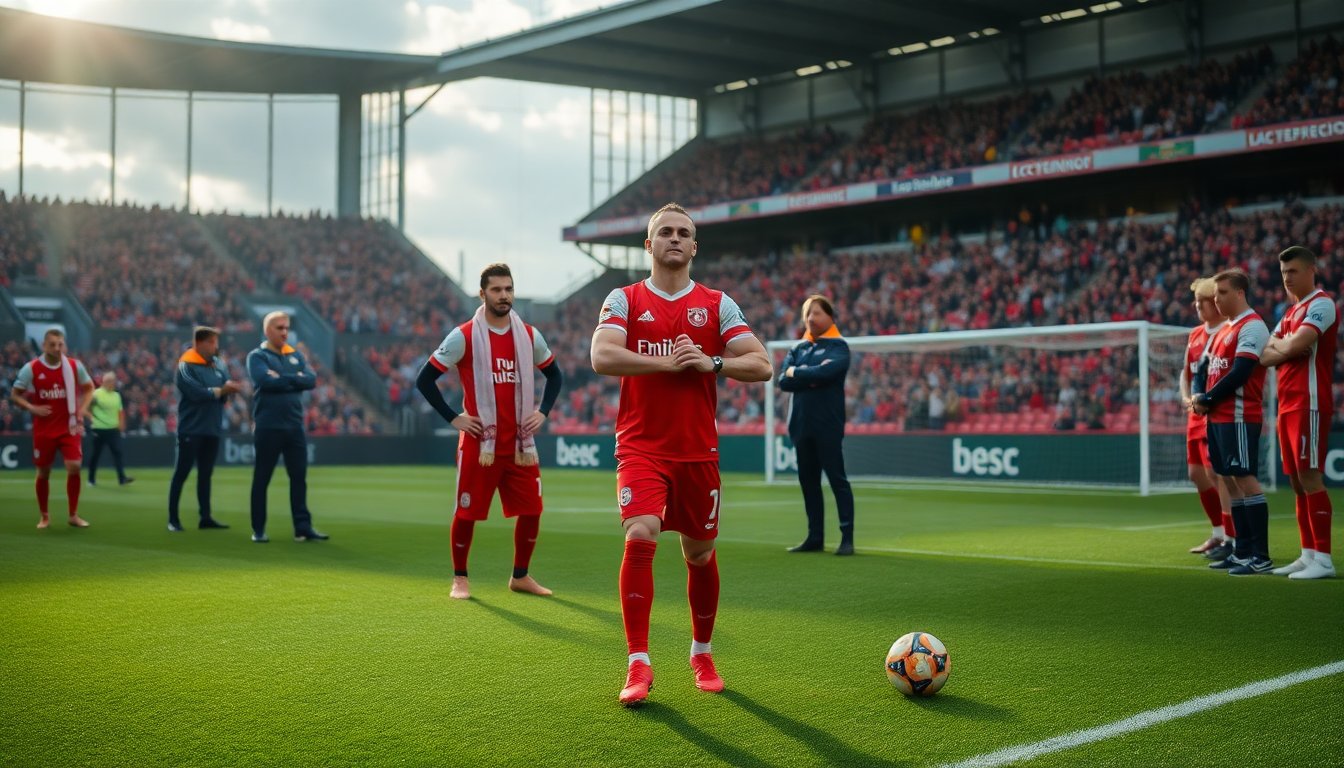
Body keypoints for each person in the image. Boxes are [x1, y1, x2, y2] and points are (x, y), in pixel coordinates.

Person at [591, 202, 773, 707]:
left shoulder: (717, 304)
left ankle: (702, 652)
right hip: (641, 447)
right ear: (648, 246)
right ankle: (638, 663)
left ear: (694, 247)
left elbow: (761, 364)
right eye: (664, 232)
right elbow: (602, 355)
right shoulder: (624, 298)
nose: (674, 238)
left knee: (699, 553)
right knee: (641, 531)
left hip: (698, 452)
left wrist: (713, 361)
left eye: (683, 233)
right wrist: (669, 364)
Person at [416, 263, 564, 600]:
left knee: (532, 511)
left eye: (508, 289)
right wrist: (454, 418)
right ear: (482, 294)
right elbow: (424, 380)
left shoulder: (528, 335)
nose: (504, 296)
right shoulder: (464, 335)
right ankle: (460, 578)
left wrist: (543, 412)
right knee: (467, 512)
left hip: (520, 446)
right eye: (496, 290)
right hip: (479, 444)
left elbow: (555, 376)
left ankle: (521, 576)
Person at [1261, 246, 1337, 580]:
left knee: (1310, 476)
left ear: (1311, 270)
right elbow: (1264, 355)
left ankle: (1323, 557)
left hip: (1309, 401)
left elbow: (1286, 347)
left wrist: (1284, 346)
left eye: (1292, 271)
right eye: (1283, 273)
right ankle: (1307, 554)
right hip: (1286, 405)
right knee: (1295, 481)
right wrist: (1286, 346)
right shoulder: (1290, 312)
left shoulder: (1321, 304)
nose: (1287, 278)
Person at [1191, 269, 1272, 575]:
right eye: (1215, 294)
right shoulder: (1225, 328)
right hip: (1216, 417)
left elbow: (1240, 372)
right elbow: (1202, 369)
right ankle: (1241, 551)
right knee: (1228, 479)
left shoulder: (1252, 326)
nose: (1216, 299)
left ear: (1240, 293)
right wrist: (1200, 396)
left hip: (1239, 415)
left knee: (1245, 479)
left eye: (1223, 293)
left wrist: (1207, 399)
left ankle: (1260, 556)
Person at [777, 294, 855, 555]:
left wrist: (797, 373)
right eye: (808, 313)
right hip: (801, 426)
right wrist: (807, 375)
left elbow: (826, 373)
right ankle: (815, 537)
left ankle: (847, 538)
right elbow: (782, 381)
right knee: (808, 482)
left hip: (828, 426)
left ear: (830, 317)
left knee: (837, 480)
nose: (811, 318)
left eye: (817, 313)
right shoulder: (798, 348)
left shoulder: (839, 347)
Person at [246, 311, 327, 543]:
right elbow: (264, 382)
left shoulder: (295, 354)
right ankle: (258, 529)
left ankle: (303, 528)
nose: (284, 332)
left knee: (299, 477)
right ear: (267, 330)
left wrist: (283, 378)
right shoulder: (257, 356)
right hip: (268, 426)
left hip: (294, 426)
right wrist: (295, 378)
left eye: (286, 328)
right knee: (262, 478)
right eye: (279, 328)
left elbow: (311, 380)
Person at [10, 328, 95, 529]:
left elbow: (89, 388)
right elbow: (15, 395)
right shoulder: (31, 369)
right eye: (53, 345)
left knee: (74, 466)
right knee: (44, 473)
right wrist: (32, 407)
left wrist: (81, 409)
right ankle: (44, 516)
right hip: (44, 429)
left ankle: (73, 515)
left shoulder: (74, 366)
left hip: (69, 426)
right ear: (44, 346)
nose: (57, 348)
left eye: (60, 344)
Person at [169, 326, 243, 532]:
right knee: (181, 473)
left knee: (206, 474)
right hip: (191, 428)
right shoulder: (185, 365)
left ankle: (205, 517)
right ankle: (173, 519)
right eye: (212, 342)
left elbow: (223, 390)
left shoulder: (218, 364)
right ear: (199, 343)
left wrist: (229, 390)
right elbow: (194, 392)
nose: (216, 346)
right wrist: (222, 390)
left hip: (212, 427)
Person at [1179, 278, 1233, 559]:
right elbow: (1185, 373)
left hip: (1215, 413)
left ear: (1216, 301)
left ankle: (1230, 537)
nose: (1198, 305)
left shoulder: (1228, 331)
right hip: (1194, 413)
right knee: (1196, 474)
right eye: (1196, 301)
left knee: (1218, 474)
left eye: (1203, 300)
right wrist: (1186, 398)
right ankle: (1217, 532)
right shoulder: (1195, 334)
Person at [87, 372, 133, 487]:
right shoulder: (96, 394)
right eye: (111, 381)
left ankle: (122, 479)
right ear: (105, 382)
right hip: (99, 429)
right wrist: (92, 419)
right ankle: (91, 479)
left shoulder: (116, 395)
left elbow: (120, 411)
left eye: (114, 381)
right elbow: (86, 407)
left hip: (113, 429)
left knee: (118, 453)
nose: (113, 383)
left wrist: (122, 424)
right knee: (95, 455)